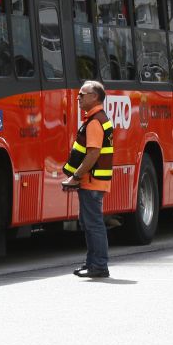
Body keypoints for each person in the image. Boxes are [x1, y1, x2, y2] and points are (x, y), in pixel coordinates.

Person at [61, 80, 114, 279]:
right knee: (90, 223)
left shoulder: (94, 122)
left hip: (92, 181)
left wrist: (76, 177)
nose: (78, 97)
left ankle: (98, 265)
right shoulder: (98, 119)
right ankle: (93, 263)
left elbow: (92, 154)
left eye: (83, 94)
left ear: (95, 97)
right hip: (94, 180)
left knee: (93, 224)